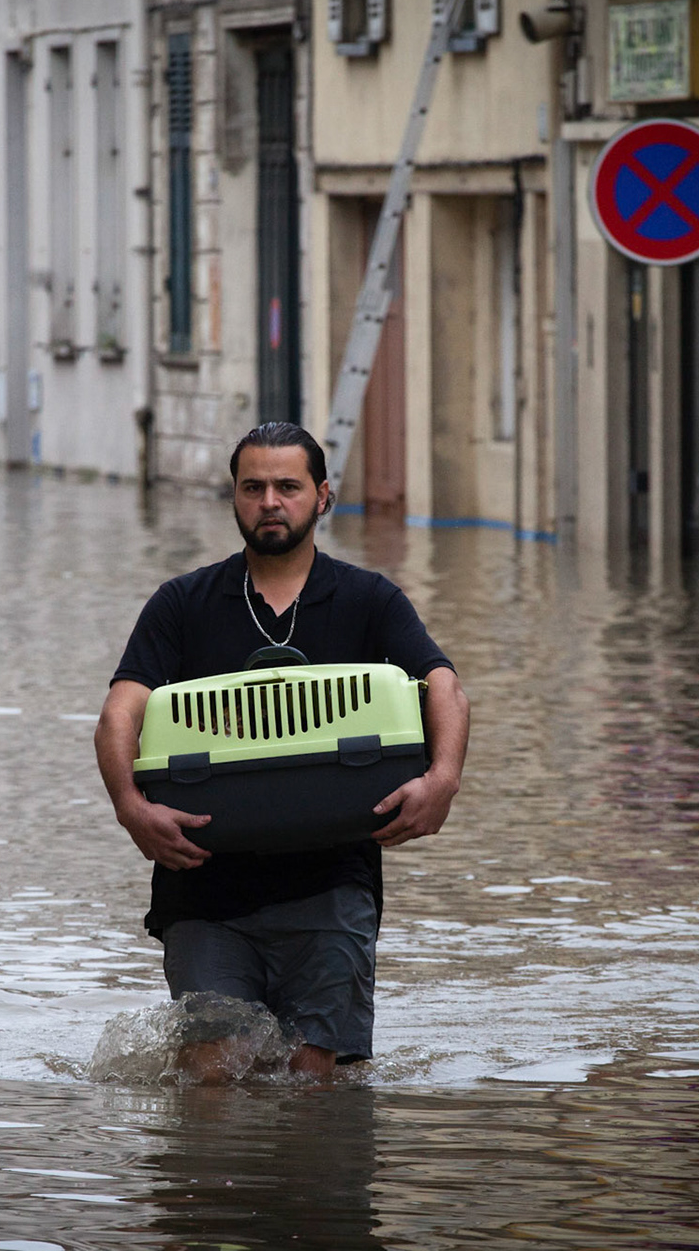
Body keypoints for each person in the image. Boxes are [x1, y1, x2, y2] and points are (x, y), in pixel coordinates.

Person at [95, 422, 469, 1080]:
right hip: (203, 889)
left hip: (333, 885)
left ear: (322, 497)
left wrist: (441, 780)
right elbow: (119, 713)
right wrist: (130, 807)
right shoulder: (181, 605)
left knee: (316, 1081)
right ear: (234, 497)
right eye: (254, 487)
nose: (271, 501)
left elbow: (444, 686)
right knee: (208, 1078)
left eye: (288, 487)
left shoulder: (369, 600)